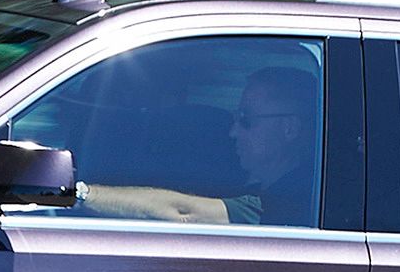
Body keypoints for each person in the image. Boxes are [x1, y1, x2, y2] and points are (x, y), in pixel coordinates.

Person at [74, 65, 321, 227]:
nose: (233, 132)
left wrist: (80, 194)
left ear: (290, 128)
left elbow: (183, 213)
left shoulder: (290, 202)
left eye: (245, 119)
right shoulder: (263, 189)